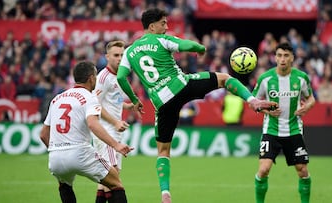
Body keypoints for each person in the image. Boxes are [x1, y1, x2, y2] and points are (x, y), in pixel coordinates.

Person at [116, 8, 277, 203]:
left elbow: (121, 77)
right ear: (152, 26)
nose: (166, 27)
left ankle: (165, 193)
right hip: (181, 86)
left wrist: (134, 100)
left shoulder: (129, 51)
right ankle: (253, 101)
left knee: (163, 151)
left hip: (161, 102)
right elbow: (185, 45)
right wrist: (199, 48)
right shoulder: (160, 40)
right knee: (224, 79)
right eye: (163, 23)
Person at [39, 61, 133, 203]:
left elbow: (43, 134)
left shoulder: (57, 99)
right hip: (79, 152)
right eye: (95, 75)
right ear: (91, 78)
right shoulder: (90, 97)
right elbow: (93, 124)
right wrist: (116, 145)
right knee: (115, 182)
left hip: (55, 157)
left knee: (65, 185)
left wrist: (57, 151)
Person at [252, 42, 315, 203]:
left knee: (302, 171)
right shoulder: (265, 79)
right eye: (279, 55)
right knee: (264, 169)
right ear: (275, 57)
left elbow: (311, 98)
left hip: (294, 130)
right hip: (271, 130)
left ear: (292, 58)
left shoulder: (301, 78)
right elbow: (253, 103)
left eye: (286, 55)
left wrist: (306, 107)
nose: (282, 59)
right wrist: (267, 110)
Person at [92, 40, 135, 203]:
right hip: (105, 131)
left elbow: (111, 100)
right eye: (116, 55)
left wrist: (127, 106)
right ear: (107, 57)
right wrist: (115, 122)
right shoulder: (103, 77)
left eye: (122, 55)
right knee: (113, 176)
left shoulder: (118, 76)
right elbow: (95, 104)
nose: (119, 58)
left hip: (113, 131)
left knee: (105, 180)